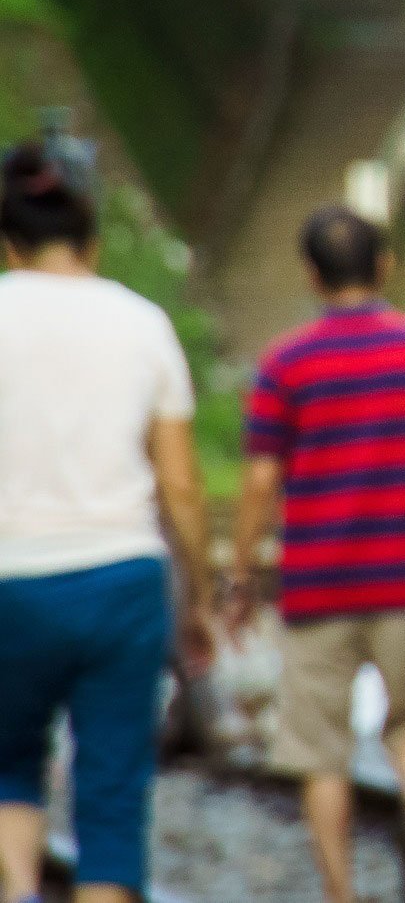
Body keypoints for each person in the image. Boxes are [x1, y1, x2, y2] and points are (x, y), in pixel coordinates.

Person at [0, 142, 215, 903]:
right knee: (114, 795)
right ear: (90, 230)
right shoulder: (143, 324)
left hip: (10, 579)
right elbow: (182, 487)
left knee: (8, 767)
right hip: (121, 576)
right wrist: (197, 600)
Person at [230, 206, 405, 903]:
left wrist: (241, 568)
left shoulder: (286, 363)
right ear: (383, 264)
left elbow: (262, 479)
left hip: (318, 582)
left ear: (310, 274)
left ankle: (340, 890)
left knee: (320, 746)